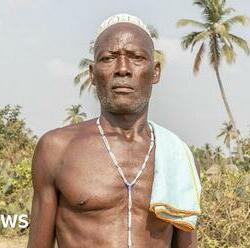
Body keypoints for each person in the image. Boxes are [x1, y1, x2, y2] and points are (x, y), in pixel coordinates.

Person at [27, 13, 201, 248]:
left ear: (156, 72)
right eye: (108, 58)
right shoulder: (57, 149)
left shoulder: (177, 156)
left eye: (137, 58)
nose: (123, 69)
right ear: (91, 73)